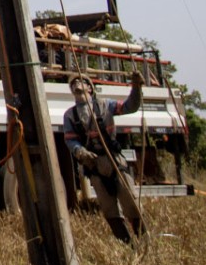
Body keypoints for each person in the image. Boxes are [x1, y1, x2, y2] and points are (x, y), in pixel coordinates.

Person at [61, 71, 145, 245]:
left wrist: (136, 87)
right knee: (109, 210)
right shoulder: (70, 115)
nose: (77, 83)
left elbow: (131, 106)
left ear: (90, 88)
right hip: (95, 166)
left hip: (114, 161)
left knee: (131, 203)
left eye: (81, 81)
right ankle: (127, 245)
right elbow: (70, 140)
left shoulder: (106, 105)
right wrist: (80, 152)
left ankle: (144, 241)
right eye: (73, 83)